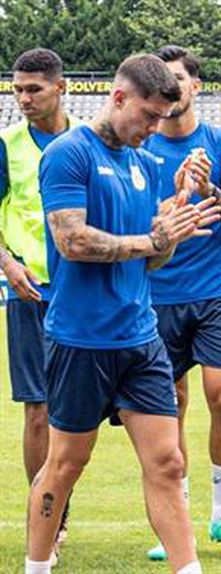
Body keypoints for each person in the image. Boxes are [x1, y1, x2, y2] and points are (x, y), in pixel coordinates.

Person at [29, 53, 219, 574]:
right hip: (81, 339)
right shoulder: (69, 154)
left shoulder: (145, 163)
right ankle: (36, 567)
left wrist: (171, 230)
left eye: (162, 118)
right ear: (118, 98)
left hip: (140, 337)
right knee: (65, 464)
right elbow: (72, 241)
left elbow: (152, 258)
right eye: (149, 116)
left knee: (168, 463)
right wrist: (150, 240)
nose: (155, 128)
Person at [144, 46, 221, 561]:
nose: (171, 88)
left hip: (215, 293)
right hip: (157, 295)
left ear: (196, 86)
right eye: (162, 80)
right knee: (169, 408)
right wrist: (176, 201)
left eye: (178, 79)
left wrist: (209, 187)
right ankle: (178, 520)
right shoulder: (142, 147)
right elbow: (138, 224)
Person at [0, 48, 82, 562]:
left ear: (61, 87)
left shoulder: (88, 141)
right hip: (29, 292)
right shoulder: (6, 145)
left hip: (83, 293)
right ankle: (47, 519)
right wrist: (8, 264)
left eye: (34, 89)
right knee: (38, 409)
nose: (24, 99)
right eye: (17, 90)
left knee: (79, 414)